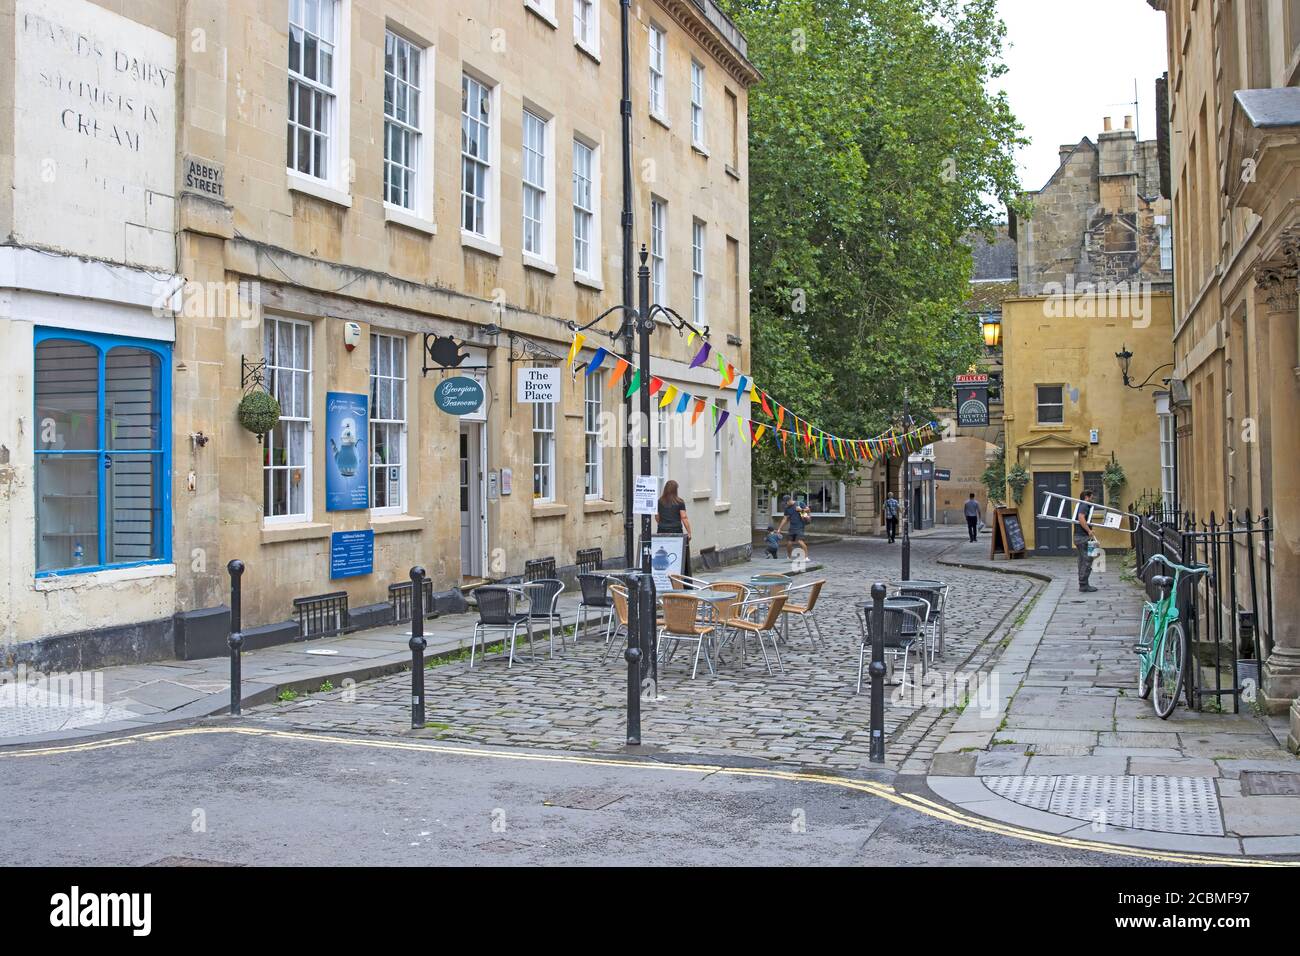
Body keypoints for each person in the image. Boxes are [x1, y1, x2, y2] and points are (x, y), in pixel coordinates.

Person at [655, 479, 692, 576]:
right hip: (676, 531)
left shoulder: (659, 502)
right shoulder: (680, 502)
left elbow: (657, 516)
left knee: (665, 553)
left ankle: (664, 575)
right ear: (676, 490)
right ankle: (678, 576)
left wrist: (663, 523)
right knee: (678, 553)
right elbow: (683, 517)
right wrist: (689, 532)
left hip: (662, 531)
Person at [1075, 489, 1099, 592]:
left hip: (1080, 536)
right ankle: (1083, 585)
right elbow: (1081, 517)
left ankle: (1083, 583)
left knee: (1083, 560)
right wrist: (1089, 531)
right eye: (1091, 497)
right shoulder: (1084, 505)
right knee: (1087, 560)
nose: (1092, 499)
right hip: (1083, 537)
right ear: (1087, 497)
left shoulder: (1080, 505)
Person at [776, 494, 810, 560]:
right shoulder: (787, 508)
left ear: (789, 500)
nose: (786, 504)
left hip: (800, 526)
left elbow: (808, 510)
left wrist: (801, 510)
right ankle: (789, 557)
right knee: (789, 543)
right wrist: (779, 528)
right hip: (792, 527)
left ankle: (806, 557)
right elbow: (785, 519)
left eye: (786, 503)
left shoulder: (799, 503)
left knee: (800, 541)